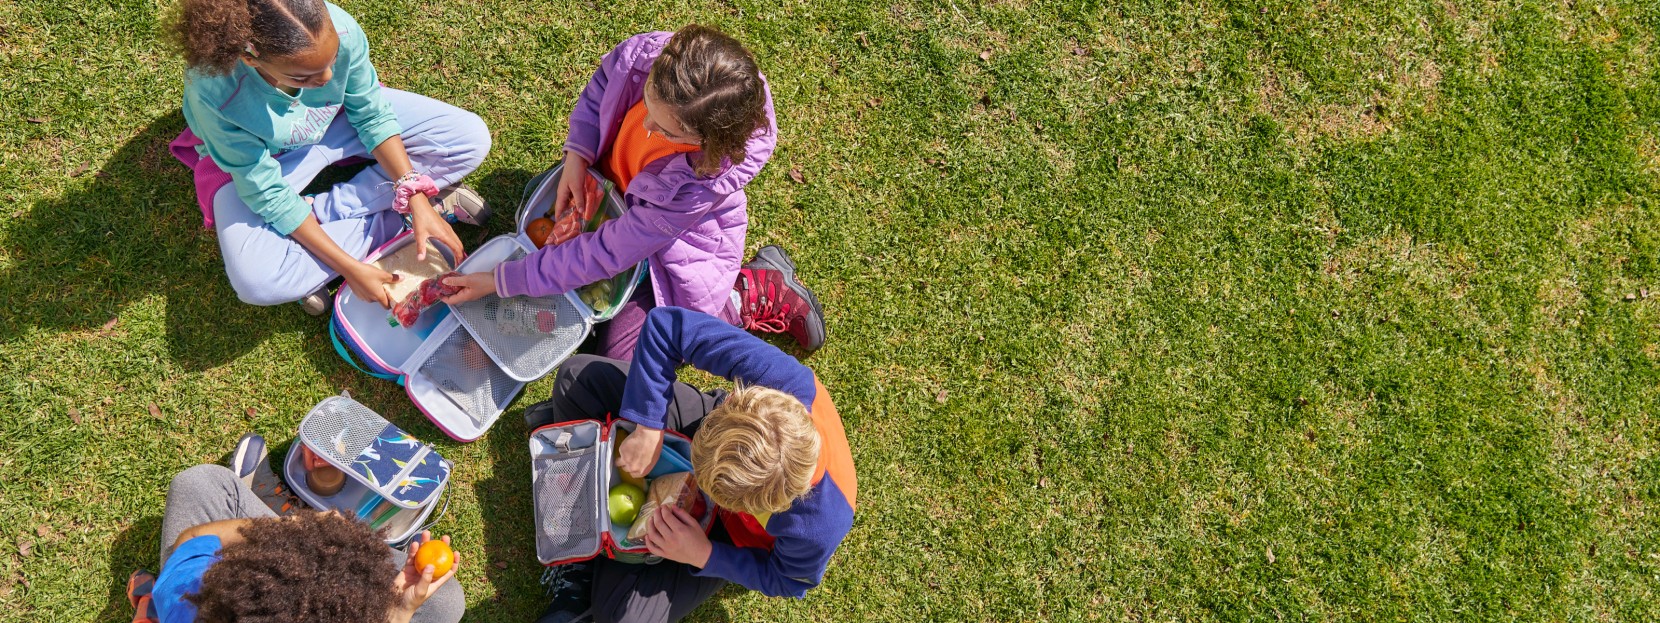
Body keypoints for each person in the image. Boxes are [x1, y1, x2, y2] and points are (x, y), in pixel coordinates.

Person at [439, 26, 827, 357]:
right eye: (647, 108)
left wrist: (500, 282)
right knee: (535, 204)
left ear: (709, 141)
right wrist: (577, 155)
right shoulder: (648, 58)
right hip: (611, 189)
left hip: (667, 250)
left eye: (667, 133)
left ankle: (747, 292)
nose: (646, 131)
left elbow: (608, 251)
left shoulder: (694, 188)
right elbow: (602, 89)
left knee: (627, 353)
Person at [527, 306, 856, 623]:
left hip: (724, 534)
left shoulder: (818, 525)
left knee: (622, 617)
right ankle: (595, 543)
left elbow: (787, 580)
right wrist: (649, 427)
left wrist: (704, 554)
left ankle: (590, 557)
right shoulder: (781, 381)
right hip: (703, 426)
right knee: (578, 377)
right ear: (742, 398)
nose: (693, 480)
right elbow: (667, 328)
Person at [165, 0, 492, 315]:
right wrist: (349, 268)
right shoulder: (214, 91)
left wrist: (415, 195)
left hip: (339, 121)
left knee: (469, 139)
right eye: (301, 78)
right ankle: (395, 221)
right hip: (266, 158)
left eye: (332, 61)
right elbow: (265, 191)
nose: (325, 80)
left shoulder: (340, 28)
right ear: (252, 58)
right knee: (257, 283)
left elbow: (371, 115)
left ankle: (324, 225)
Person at [129, 434, 464, 623]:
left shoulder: (191, 599)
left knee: (200, 484)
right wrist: (398, 610)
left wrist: (297, 527)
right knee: (446, 602)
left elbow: (192, 539)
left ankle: (152, 610)